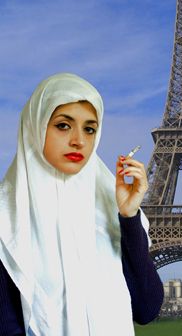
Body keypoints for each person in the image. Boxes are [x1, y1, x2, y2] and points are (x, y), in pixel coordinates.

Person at [0, 73, 164, 335]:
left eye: (90, 128)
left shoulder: (110, 206)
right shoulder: (5, 218)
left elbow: (146, 309)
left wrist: (129, 216)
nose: (79, 140)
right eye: (63, 125)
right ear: (36, 125)